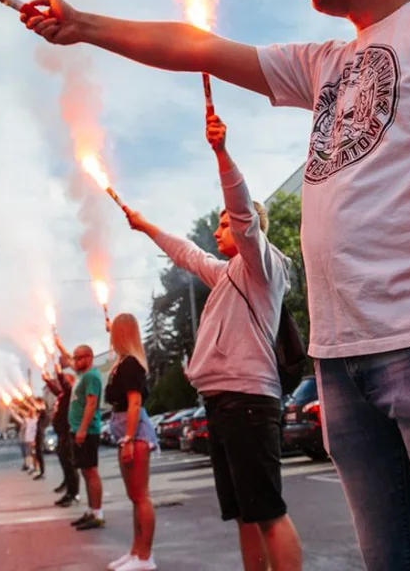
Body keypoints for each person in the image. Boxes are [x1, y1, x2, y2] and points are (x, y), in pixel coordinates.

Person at [24, 0, 410, 569]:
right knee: (391, 559)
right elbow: (198, 47)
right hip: (340, 360)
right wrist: (87, 25)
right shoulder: (323, 64)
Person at [124, 112, 302, 571]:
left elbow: (243, 213)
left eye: (226, 224)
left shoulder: (264, 269)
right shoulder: (225, 275)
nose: (220, 230)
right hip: (221, 402)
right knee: (246, 513)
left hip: (248, 400)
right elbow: (187, 252)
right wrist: (146, 227)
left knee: (268, 511)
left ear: (249, 231)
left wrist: (222, 153)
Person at [104, 313, 160, 571]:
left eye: (114, 332)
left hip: (133, 431)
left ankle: (145, 557)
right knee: (135, 496)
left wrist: (128, 438)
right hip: (127, 429)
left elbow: (134, 402)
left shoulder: (130, 365)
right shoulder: (125, 362)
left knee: (141, 496)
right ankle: (136, 552)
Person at [68, 344, 105, 530]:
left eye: (80, 357)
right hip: (78, 430)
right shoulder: (81, 376)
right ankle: (91, 510)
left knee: (91, 471)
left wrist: (82, 429)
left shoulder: (91, 376)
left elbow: (91, 404)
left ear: (90, 357)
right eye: (75, 358)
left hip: (87, 431)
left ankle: (97, 513)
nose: (76, 361)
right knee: (85, 471)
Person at [44, 363, 80, 506]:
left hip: (68, 432)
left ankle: (74, 494)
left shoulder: (71, 393)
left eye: (64, 380)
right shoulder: (62, 395)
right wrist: (47, 380)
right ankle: (69, 491)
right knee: (65, 464)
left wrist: (59, 373)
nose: (61, 383)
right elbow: (57, 389)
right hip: (62, 434)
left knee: (71, 465)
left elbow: (64, 386)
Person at [32, 396, 48, 480]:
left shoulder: (44, 412)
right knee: (38, 453)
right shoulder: (40, 413)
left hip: (41, 435)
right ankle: (41, 472)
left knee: (39, 453)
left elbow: (39, 407)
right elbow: (34, 408)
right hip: (38, 435)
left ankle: (42, 472)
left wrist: (31, 398)